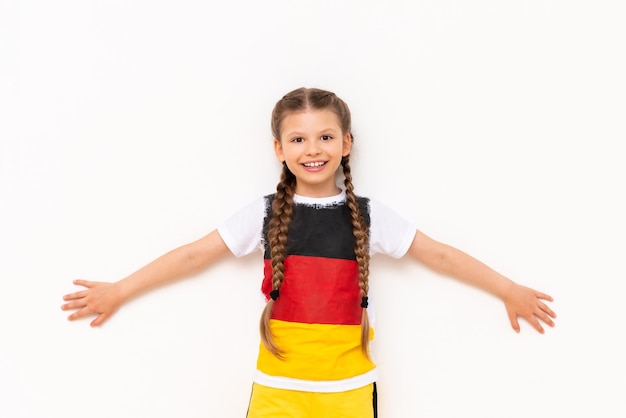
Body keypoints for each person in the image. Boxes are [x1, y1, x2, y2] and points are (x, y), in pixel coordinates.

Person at [61, 87, 556, 418]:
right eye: (298, 138)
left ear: (346, 144)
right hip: (277, 393)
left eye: (324, 136)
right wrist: (119, 289)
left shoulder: (368, 214)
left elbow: (441, 255)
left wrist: (508, 289)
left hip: (350, 395)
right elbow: (194, 255)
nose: (312, 148)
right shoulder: (263, 213)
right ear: (279, 148)